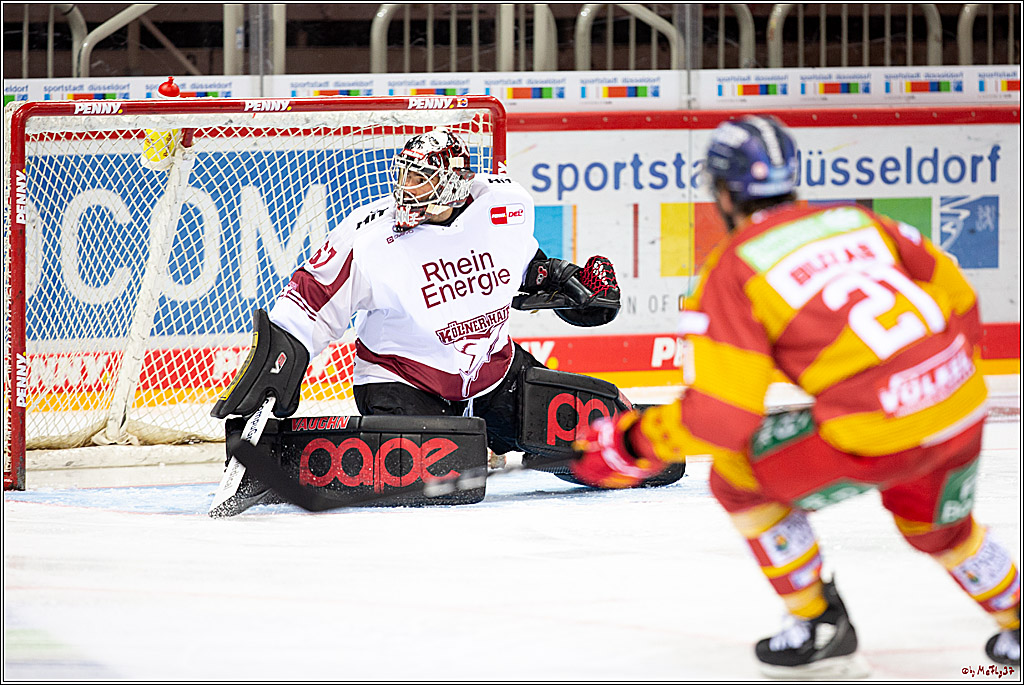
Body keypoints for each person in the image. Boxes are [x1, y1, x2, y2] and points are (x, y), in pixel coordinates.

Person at [570, 114, 1021, 677]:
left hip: (880, 432)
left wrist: (630, 442)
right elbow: (958, 297)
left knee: (737, 477)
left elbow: (722, 419)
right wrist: (931, 381)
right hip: (963, 408)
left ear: (724, 192)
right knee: (940, 530)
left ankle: (816, 622)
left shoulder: (732, 270)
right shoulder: (859, 221)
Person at [210, 127, 675, 517]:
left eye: (422, 179)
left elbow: (522, 267)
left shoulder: (503, 207)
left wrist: (562, 278)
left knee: (623, 448)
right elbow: (309, 300)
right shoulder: (369, 236)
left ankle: (540, 441)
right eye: (405, 176)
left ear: (454, 184)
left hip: (495, 372)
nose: (407, 189)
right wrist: (284, 354)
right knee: (445, 478)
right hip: (403, 379)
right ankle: (277, 458)